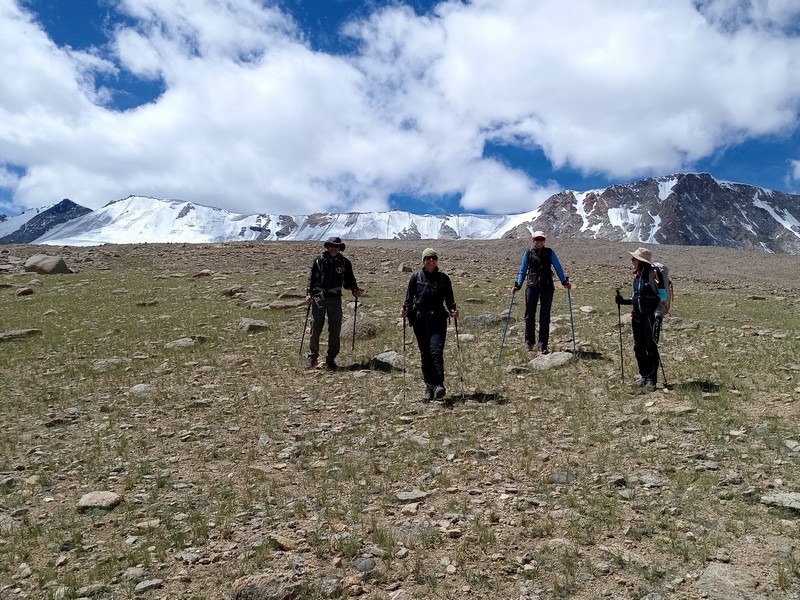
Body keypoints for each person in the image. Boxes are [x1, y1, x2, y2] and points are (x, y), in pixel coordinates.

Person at [400, 248, 459, 401]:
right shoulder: (415, 278)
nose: (431, 261)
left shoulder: (443, 279)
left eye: (434, 258)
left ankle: (439, 385)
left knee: (436, 351)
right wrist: (405, 310)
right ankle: (429, 387)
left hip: (438, 320)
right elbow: (408, 299)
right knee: (425, 354)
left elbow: (450, 300)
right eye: (428, 258)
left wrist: (453, 311)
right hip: (420, 321)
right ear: (423, 261)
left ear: (437, 260)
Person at [305, 237, 364, 369]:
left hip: (335, 298)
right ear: (327, 247)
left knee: (335, 329)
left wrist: (354, 289)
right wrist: (308, 293)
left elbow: (350, 279)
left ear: (340, 248)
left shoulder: (344, 262)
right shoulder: (319, 261)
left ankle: (330, 359)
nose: (333, 248)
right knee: (315, 327)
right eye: (331, 246)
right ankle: (312, 356)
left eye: (336, 246)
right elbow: (311, 279)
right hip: (318, 297)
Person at [511, 231, 570, 354]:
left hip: (547, 286)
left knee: (545, 316)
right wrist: (518, 285)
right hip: (532, 286)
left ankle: (543, 345)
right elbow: (523, 270)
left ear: (544, 241)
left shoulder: (550, 252)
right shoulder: (528, 253)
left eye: (541, 239)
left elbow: (558, 267)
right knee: (529, 315)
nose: (539, 242)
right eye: (537, 240)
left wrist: (564, 281)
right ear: (533, 240)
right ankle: (529, 342)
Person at [615, 247, 662, 390]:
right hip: (637, 316)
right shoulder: (636, 276)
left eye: (634, 259)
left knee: (650, 346)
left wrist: (658, 313)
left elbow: (663, 296)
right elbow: (636, 297)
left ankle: (652, 379)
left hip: (650, 316)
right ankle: (644, 376)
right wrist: (623, 301)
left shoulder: (654, 274)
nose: (631, 261)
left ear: (640, 261)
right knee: (638, 347)